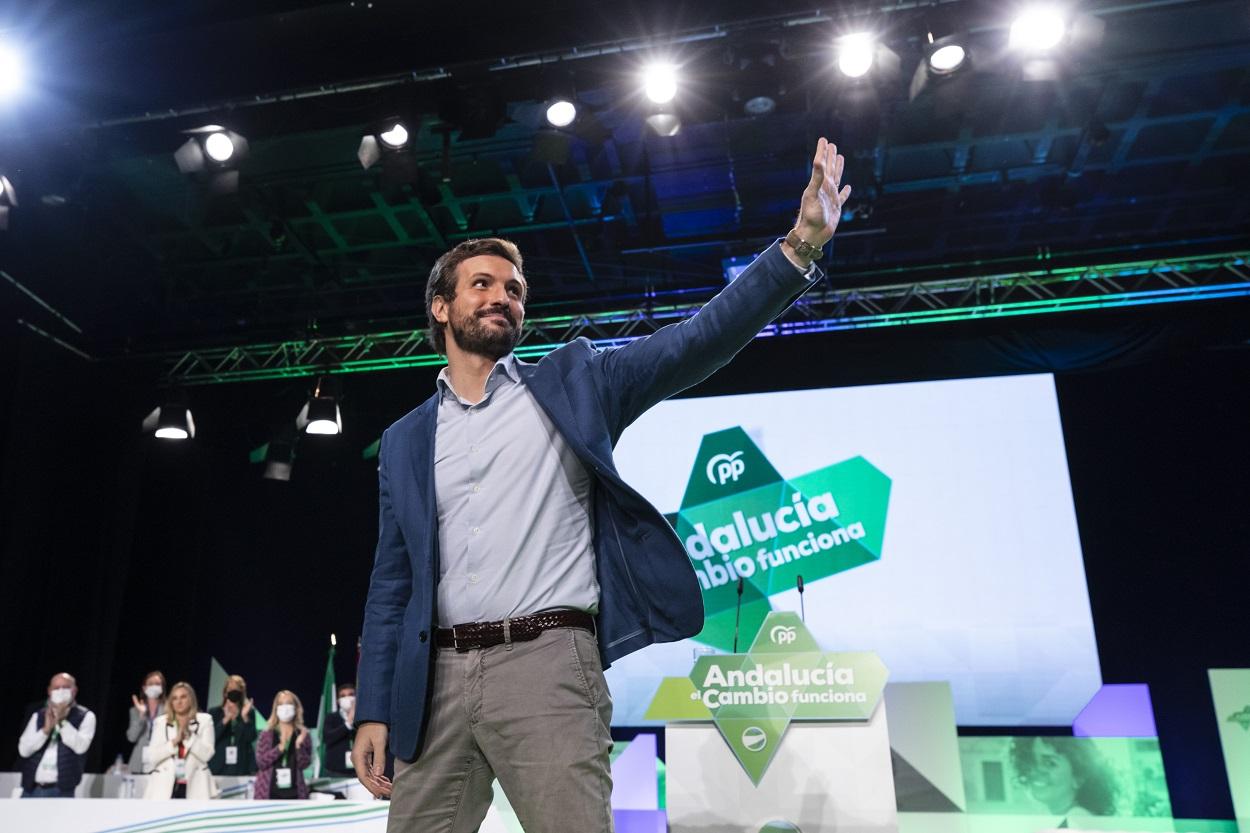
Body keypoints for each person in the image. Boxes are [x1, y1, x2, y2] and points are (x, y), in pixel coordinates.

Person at [353, 138, 853, 832]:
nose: (503, 296)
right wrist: (374, 703)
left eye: (514, 289)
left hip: (548, 666)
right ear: (441, 307)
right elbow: (391, 585)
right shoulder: (407, 437)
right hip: (433, 681)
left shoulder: (577, 382)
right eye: (483, 284)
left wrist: (798, 247)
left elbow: (695, 340)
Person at [17, 672, 96, 798]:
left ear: (74, 691)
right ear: (49, 691)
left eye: (65, 687)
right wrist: (45, 731)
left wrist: (62, 721)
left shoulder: (85, 716)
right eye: (56, 688)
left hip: (61, 790)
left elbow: (81, 746)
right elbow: (23, 750)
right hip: (31, 788)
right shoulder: (39, 715)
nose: (60, 691)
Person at [1011, 737, 1118, 822]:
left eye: (1050, 763)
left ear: (1079, 776)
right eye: (1032, 761)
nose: (1037, 770)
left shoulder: (1077, 820)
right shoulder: (1072, 819)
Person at [143, 681, 215, 799]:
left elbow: (207, 754)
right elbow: (152, 757)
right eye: (175, 698)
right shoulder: (161, 722)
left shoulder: (205, 721)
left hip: (195, 786)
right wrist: (173, 743)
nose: (179, 702)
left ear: (191, 699)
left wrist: (190, 737)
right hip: (164, 787)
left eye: (183, 697)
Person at [254, 690, 313, 800]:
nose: (285, 707)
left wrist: (299, 747)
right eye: (281, 704)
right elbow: (261, 763)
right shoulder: (266, 734)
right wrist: (279, 748)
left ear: (296, 707)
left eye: (289, 703)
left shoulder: (303, 733)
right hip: (269, 792)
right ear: (276, 708)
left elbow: (304, 764)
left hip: (295, 792)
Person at [208, 674, 257, 776]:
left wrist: (244, 718)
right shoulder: (214, 712)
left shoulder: (248, 713)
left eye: (237, 689)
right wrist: (225, 719)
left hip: (241, 766)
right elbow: (210, 737)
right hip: (218, 766)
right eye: (230, 689)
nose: (233, 692)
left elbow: (251, 737)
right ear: (225, 693)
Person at [125, 670, 166, 774]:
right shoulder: (135, 710)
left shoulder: (168, 710)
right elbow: (131, 737)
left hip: (160, 761)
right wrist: (141, 716)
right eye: (151, 684)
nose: (154, 687)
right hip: (139, 763)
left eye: (157, 684)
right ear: (144, 688)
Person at [320, 683, 357, 777]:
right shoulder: (331, 717)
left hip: (360, 772)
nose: (347, 698)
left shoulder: (364, 718)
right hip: (334, 773)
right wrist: (348, 724)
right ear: (338, 701)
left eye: (351, 694)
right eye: (343, 696)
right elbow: (327, 738)